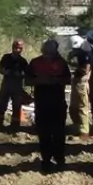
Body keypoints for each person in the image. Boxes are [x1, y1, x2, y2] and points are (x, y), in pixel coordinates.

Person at [26, 39, 71, 172]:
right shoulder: (35, 62)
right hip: (41, 103)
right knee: (43, 132)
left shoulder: (61, 62)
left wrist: (55, 80)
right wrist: (40, 80)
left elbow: (68, 79)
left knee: (59, 132)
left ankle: (60, 160)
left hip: (58, 102)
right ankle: (46, 160)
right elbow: (27, 81)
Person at [0, 39, 29, 131]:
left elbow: (28, 73)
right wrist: (6, 72)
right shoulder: (6, 57)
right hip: (6, 84)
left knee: (17, 106)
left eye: (19, 48)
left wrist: (20, 75)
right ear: (13, 47)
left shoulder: (22, 61)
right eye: (16, 48)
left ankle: (15, 126)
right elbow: (0, 68)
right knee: (1, 104)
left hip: (17, 86)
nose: (17, 50)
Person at [67, 34, 93, 139]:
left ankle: (84, 131)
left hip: (82, 83)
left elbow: (85, 70)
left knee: (83, 108)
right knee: (73, 107)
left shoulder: (86, 56)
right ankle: (77, 127)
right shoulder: (82, 54)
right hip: (77, 82)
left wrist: (74, 64)